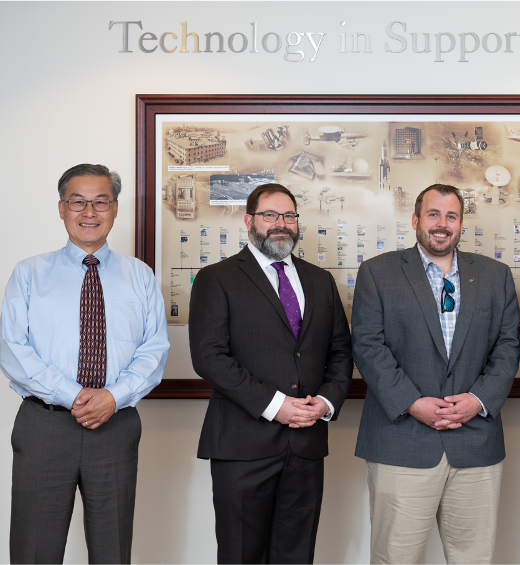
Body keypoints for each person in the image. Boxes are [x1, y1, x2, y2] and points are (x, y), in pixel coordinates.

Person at [0, 163, 169, 565]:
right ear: (61, 208)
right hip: (45, 426)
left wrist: (112, 396)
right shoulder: (28, 274)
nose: (89, 212)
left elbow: (155, 349)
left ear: (115, 208)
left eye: (100, 202)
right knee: (34, 549)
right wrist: (76, 395)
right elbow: (13, 349)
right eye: (78, 201)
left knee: (112, 550)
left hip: (116, 425)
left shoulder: (140, 276)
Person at [352, 184, 520, 565]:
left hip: (475, 442)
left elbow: (508, 347)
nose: (441, 224)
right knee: (395, 558)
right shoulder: (378, 272)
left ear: (461, 224)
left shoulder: (495, 276)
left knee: (474, 559)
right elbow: (367, 346)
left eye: (451, 216)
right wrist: (411, 403)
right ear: (415, 220)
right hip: (401, 441)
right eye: (433, 214)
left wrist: (477, 400)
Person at [188, 183, 352, 565]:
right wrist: (275, 405)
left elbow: (341, 353)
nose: (281, 224)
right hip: (243, 445)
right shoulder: (217, 278)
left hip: (307, 445)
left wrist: (325, 403)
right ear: (249, 221)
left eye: (289, 216)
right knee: (242, 555)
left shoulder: (320, 281)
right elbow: (209, 357)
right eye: (270, 216)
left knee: (297, 555)